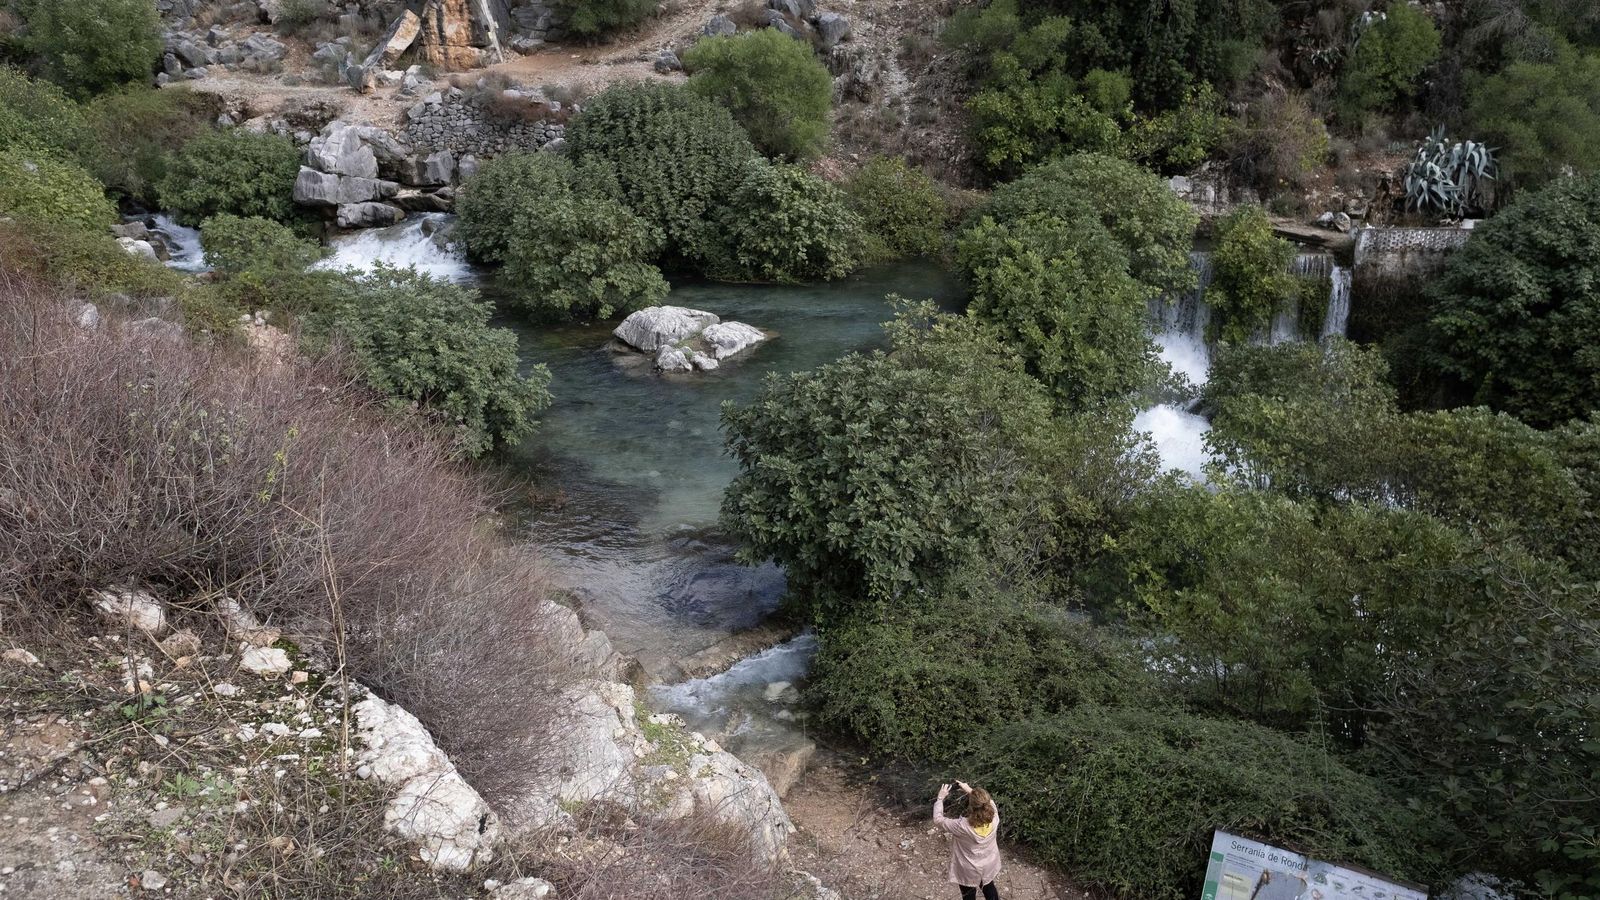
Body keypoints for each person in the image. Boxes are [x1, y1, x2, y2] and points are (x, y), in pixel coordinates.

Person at [933, 781, 1001, 900]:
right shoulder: (994, 818)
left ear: (971, 806)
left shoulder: (962, 826)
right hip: (988, 864)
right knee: (989, 887)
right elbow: (990, 803)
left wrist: (940, 798)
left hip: (968, 869)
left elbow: (938, 819)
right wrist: (970, 790)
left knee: (968, 895)